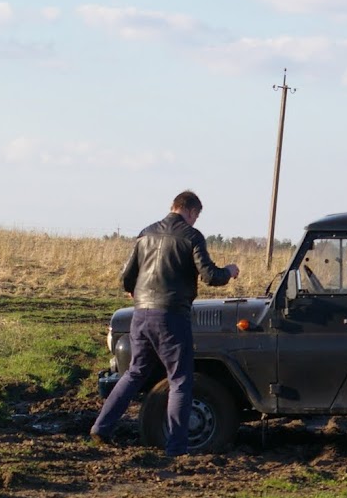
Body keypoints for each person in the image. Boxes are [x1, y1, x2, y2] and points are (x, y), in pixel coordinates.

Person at [90, 190, 240, 456]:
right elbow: (210, 276)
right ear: (191, 211)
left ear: (173, 206)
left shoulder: (145, 233)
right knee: (180, 380)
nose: (194, 221)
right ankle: (177, 447)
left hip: (140, 315)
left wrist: (136, 293)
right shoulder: (192, 236)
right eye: (195, 216)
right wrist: (229, 271)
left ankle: (101, 427)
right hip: (171, 316)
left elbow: (127, 278)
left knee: (134, 373)